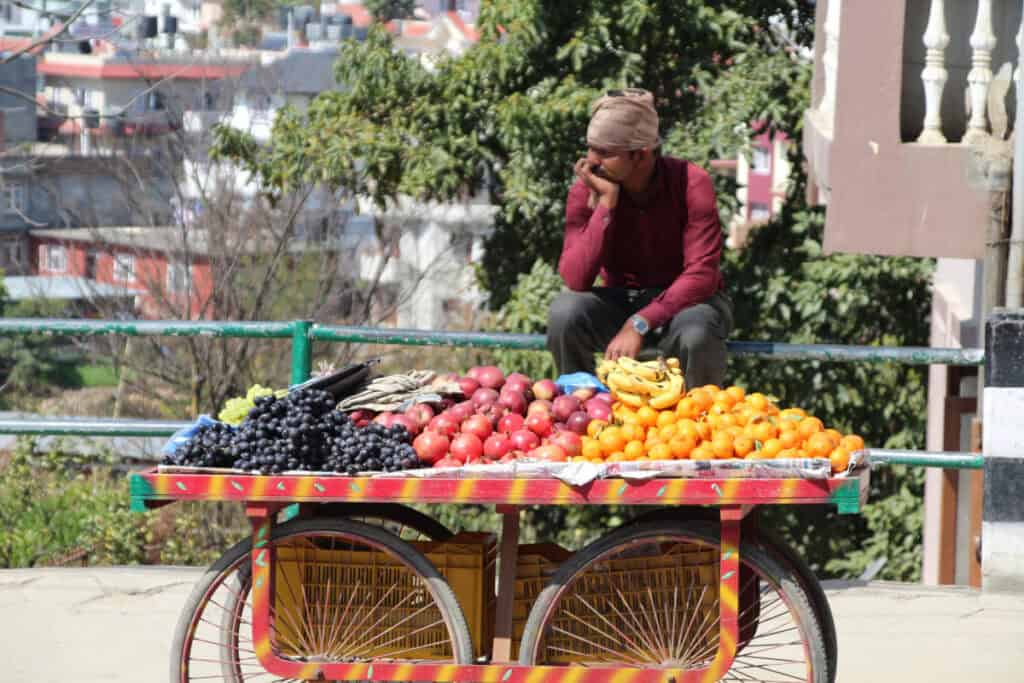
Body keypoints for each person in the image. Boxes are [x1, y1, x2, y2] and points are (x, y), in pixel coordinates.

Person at [546, 88, 733, 388]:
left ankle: (699, 421)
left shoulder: (691, 183)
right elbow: (575, 279)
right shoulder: (587, 189)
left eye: (605, 152)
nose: (590, 161)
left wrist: (641, 322)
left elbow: (702, 275)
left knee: (696, 332)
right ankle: (580, 405)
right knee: (564, 313)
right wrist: (605, 204)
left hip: (688, 304)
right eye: (591, 148)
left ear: (641, 154)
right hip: (622, 301)